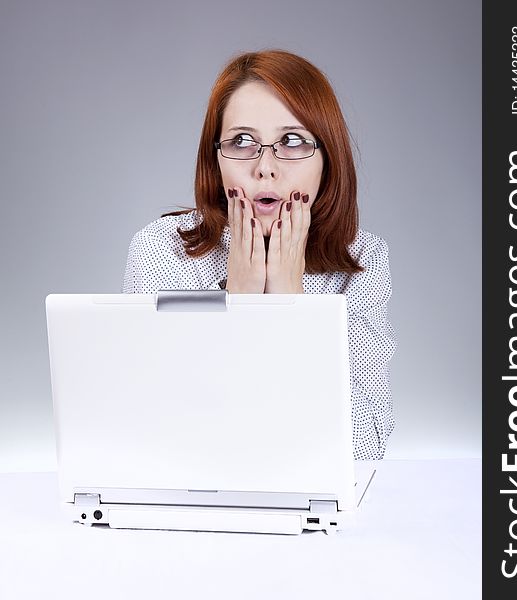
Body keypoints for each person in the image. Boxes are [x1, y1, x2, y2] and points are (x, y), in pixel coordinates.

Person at [122, 49, 396, 460]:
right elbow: (157, 437)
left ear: (328, 158)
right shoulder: (162, 250)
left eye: (291, 141)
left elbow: (364, 447)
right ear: (215, 159)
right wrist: (237, 302)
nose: (265, 168)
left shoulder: (361, 260)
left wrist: (290, 306)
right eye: (242, 141)